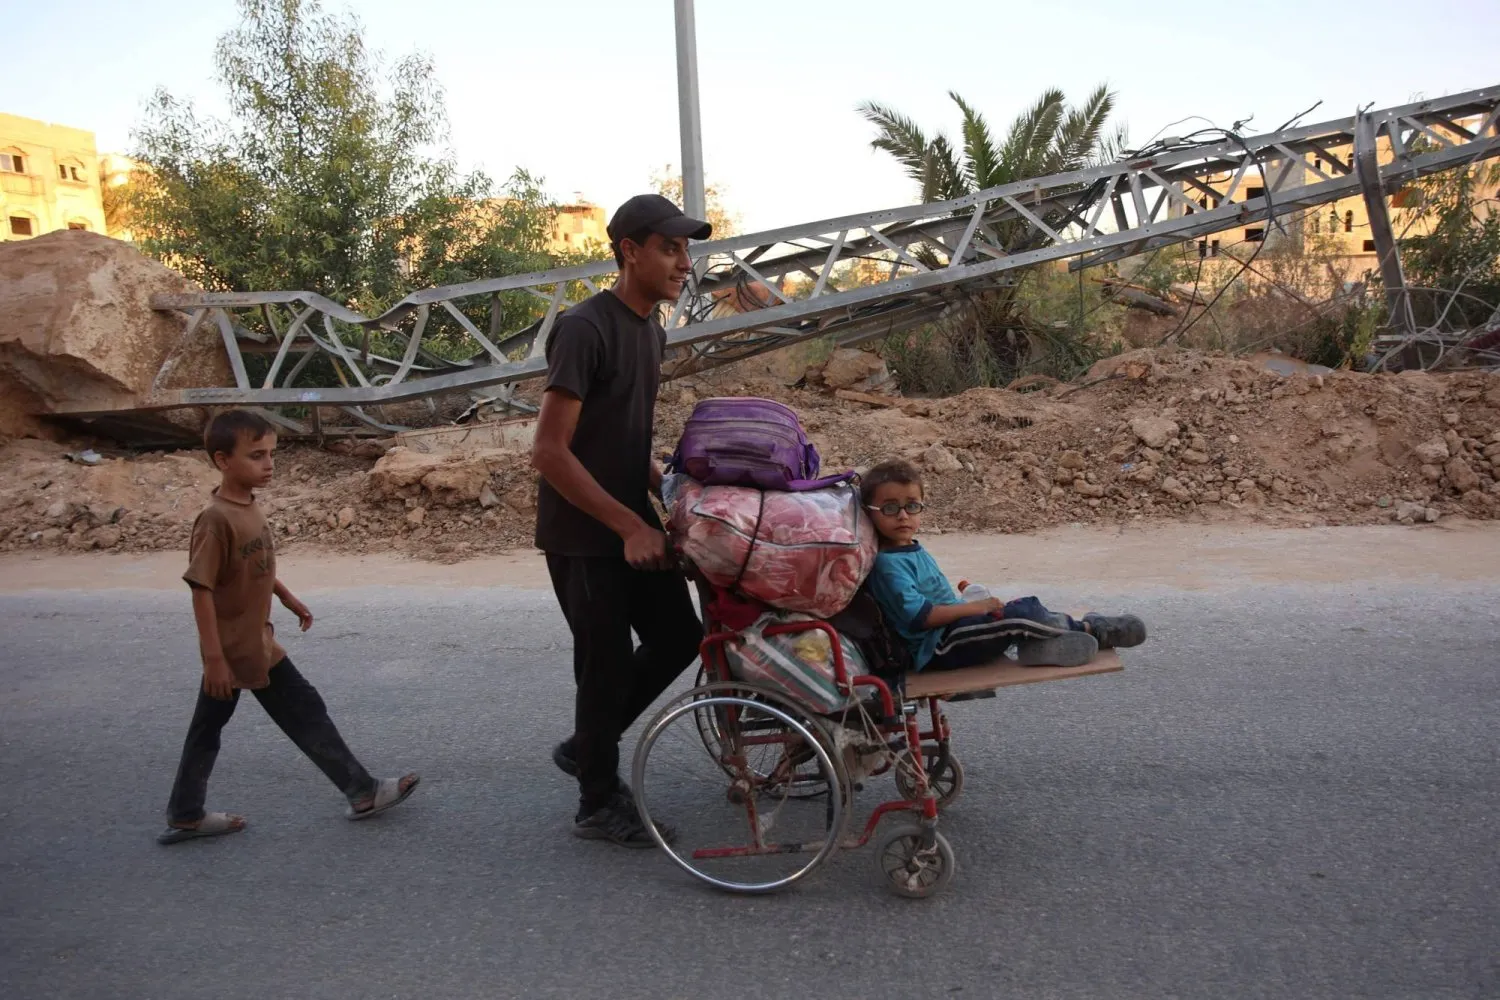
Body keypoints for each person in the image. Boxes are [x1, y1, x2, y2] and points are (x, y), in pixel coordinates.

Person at [531, 194, 711, 847]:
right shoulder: (585, 329)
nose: (684, 263)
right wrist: (628, 528)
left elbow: (619, 434)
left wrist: (667, 483)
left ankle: (589, 744)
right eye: (670, 249)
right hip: (584, 533)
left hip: (631, 518)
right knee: (602, 664)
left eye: (686, 250)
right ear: (629, 251)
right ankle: (596, 802)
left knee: (679, 637)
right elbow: (550, 452)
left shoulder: (650, 331)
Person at [158, 410, 419, 845]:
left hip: (256, 641)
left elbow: (252, 564)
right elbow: (202, 588)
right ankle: (361, 791)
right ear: (223, 460)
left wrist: (284, 596)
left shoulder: (247, 506)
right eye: (256, 456)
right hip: (234, 648)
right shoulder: (216, 519)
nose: (269, 464)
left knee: (275, 714)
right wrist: (214, 659)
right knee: (267, 717)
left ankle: (188, 812)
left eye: (271, 454)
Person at [861, 459, 1146, 673]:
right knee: (1016, 616)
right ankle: (1091, 629)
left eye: (912, 506)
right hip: (936, 647)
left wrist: (974, 605)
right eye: (889, 508)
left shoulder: (908, 547)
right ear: (868, 513)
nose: (903, 516)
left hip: (952, 630)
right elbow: (920, 618)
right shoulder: (887, 564)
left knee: (1024, 606)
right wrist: (975, 608)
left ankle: (1042, 647)